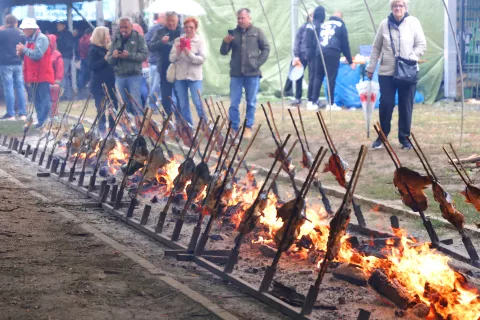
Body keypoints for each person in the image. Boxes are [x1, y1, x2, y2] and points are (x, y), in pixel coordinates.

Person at [367, 0, 426, 150]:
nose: (397, 8)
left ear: (405, 8)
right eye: (395, 6)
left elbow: (421, 44)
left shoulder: (413, 23)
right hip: (387, 71)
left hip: (408, 71)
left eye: (400, 6)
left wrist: (410, 58)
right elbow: (376, 48)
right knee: (386, 103)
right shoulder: (384, 24)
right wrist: (370, 68)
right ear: (391, 8)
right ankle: (382, 135)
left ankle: (405, 138)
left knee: (406, 104)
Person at [220, 8, 270, 137]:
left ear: (249, 18)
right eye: (238, 18)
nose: (240, 20)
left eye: (242, 18)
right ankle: (234, 127)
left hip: (252, 74)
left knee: (251, 102)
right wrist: (225, 43)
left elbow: (266, 48)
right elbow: (224, 52)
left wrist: (257, 63)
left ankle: (248, 127)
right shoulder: (233, 33)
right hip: (236, 74)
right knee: (234, 102)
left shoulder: (257, 32)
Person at [308, 9, 356, 111]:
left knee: (318, 76)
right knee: (331, 77)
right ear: (341, 18)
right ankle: (330, 104)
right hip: (332, 52)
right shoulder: (340, 25)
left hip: (319, 51)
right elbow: (345, 45)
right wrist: (350, 61)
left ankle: (313, 102)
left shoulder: (324, 24)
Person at [16, 18, 54, 128]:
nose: (23, 31)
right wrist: (21, 53)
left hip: (43, 74)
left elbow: (37, 55)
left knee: (44, 99)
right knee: (37, 99)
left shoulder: (41, 39)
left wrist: (23, 50)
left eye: (25, 29)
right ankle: (41, 121)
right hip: (34, 75)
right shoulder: (30, 39)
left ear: (31, 28)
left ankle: (46, 122)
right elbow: (30, 55)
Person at [107, 17, 148, 116]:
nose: (123, 30)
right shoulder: (116, 38)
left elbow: (144, 55)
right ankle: (128, 129)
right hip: (120, 76)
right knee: (123, 104)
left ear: (131, 26)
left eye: (126, 27)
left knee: (136, 103)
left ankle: (140, 127)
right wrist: (114, 56)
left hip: (134, 76)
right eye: (121, 27)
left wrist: (129, 55)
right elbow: (109, 59)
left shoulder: (139, 38)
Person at [169, 17, 206, 126]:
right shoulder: (178, 41)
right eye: (186, 27)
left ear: (195, 28)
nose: (188, 29)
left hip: (195, 77)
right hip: (180, 77)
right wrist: (178, 52)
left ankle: (205, 125)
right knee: (183, 104)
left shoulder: (199, 41)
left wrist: (189, 53)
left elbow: (201, 59)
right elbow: (171, 59)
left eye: (191, 27)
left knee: (197, 102)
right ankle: (189, 126)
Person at [148, 11, 181, 116]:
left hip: (180, 69)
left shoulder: (182, 31)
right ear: (165, 21)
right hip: (164, 68)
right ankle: (169, 119)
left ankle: (180, 121)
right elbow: (151, 47)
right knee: (166, 97)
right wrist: (161, 42)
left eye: (173, 21)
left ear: (177, 20)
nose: (171, 23)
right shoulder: (160, 32)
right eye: (168, 21)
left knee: (180, 97)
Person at [89, 26, 118, 135]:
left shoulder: (110, 48)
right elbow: (92, 66)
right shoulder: (93, 49)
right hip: (99, 83)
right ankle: (101, 128)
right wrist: (105, 59)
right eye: (107, 34)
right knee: (101, 107)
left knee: (113, 106)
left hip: (111, 82)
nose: (109, 36)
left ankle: (112, 129)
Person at [0, 14, 27, 121]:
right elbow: (24, 44)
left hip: (5, 63)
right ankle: (22, 113)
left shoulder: (2, 33)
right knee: (20, 87)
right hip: (18, 62)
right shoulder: (21, 32)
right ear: (16, 22)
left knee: (9, 88)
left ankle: (11, 114)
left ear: (6, 22)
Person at [284, 11, 313, 106]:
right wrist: (296, 55)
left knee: (312, 77)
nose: (313, 18)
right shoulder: (303, 28)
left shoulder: (317, 27)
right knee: (298, 76)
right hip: (301, 55)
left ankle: (311, 98)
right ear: (308, 17)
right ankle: (297, 97)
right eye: (311, 16)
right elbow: (297, 41)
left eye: (314, 16)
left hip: (312, 56)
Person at [145, 13, 165, 109]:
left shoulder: (171, 29)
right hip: (155, 61)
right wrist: (160, 42)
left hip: (166, 61)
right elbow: (148, 42)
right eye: (164, 17)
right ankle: (152, 104)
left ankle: (162, 103)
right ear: (160, 17)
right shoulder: (153, 29)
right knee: (155, 85)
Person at [46, 34, 64, 117]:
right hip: (44, 81)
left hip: (53, 82)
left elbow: (60, 70)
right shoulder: (42, 53)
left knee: (53, 100)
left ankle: (53, 116)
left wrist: (57, 82)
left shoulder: (57, 55)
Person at [56, 22, 74, 100]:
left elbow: (68, 45)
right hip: (65, 56)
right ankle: (68, 94)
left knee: (63, 74)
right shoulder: (62, 34)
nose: (58, 27)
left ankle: (63, 93)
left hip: (65, 56)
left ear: (63, 26)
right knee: (65, 75)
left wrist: (59, 49)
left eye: (59, 25)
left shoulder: (66, 34)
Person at [77, 28, 92, 94]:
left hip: (83, 58)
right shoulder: (90, 39)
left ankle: (80, 87)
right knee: (92, 73)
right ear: (90, 33)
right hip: (89, 58)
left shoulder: (81, 39)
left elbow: (79, 49)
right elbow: (90, 50)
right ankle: (91, 88)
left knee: (82, 73)